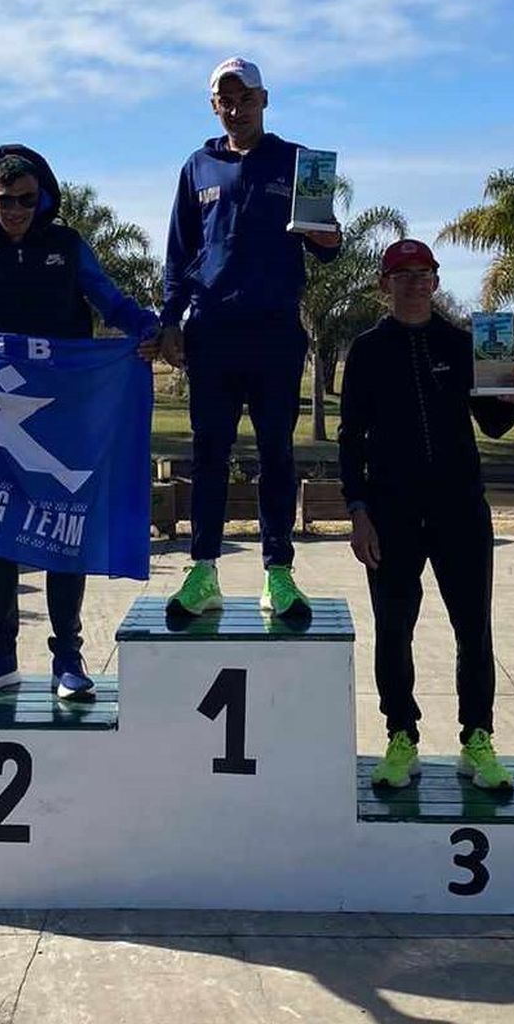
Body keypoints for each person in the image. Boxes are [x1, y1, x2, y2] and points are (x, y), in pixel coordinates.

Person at [0, 145, 161, 703]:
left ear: (42, 197)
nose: (17, 210)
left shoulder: (67, 247)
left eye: (27, 200)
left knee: (63, 525)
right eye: (6, 201)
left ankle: (68, 659)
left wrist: (148, 328)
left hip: (62, 410)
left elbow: (110, 301)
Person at [160, 57, 342, 617]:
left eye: (247, 99)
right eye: (226, 101)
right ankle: (204, 571)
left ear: (265, 100)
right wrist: (170, 320)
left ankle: (278, 573)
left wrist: (324, 233)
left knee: (276, 454)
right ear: (215, 105)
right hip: (211, 332)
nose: (236, 109)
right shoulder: (198, 167)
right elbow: (179, 251)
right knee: (208, 453)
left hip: (274, 335)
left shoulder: (295, 162)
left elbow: (329, 246)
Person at [339, 239, 514, 790]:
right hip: (391, 513)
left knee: (474, 629)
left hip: (459, 509)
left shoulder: (464, 343)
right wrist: (358, 511)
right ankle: (401, 736)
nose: (415, 283)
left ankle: (477, 738)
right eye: (403, 275)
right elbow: (351, 438)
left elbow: (491, 424)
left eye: (425, 274)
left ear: (437, 282)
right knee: (395, 630)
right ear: (384, 284)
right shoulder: (368, 349)